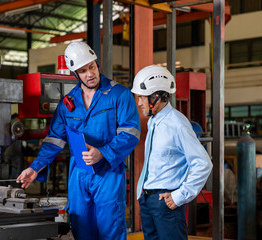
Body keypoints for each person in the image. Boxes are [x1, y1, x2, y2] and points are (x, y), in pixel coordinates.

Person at [17, 42, 140, 239]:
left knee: (110, 227)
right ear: (75, 74)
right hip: (79, 174)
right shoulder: (68, 102)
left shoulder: (119, 94)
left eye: (91, 66)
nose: (89, 74)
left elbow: (131, 133)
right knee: (81, 228)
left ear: (97, 64)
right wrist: (35, 168)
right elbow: (54, 139)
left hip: (108, 173)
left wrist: (103, 152)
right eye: (82, 70)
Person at [131, 65, 213, 240]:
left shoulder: (177, 123)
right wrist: (141, 193)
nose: (139, 102)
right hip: (148, 199)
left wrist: (179, 196)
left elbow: (203, 163)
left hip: (166, 202)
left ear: (156, 97)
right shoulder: (154, 121)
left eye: (141, 97)